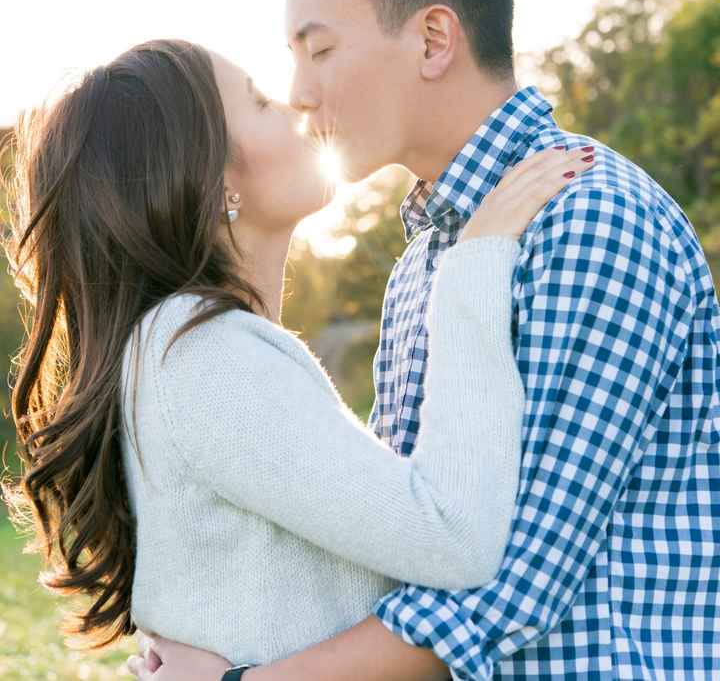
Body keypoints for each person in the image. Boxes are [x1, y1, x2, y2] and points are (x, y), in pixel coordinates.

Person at [129, 0, 720, 680]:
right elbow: (405, 543)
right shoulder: (427, 264)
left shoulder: (589, 218)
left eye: (321, 50)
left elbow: (506, 580)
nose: (302, 94)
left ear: (435, 39)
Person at [3, 38, 590, 675]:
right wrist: (475, 264)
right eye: (259, 103)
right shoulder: (205, 356)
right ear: (214, 182)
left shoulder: (191, 346)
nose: (295, 107)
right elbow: (452, 537)